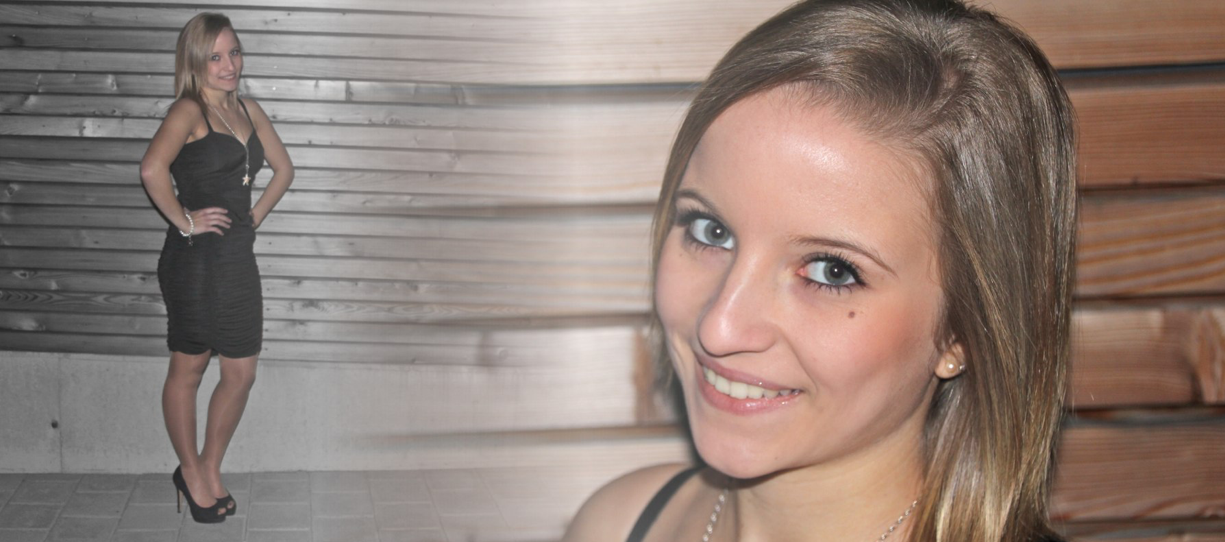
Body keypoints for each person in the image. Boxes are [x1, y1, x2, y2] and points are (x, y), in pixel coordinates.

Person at [565, 0, 1076, 541]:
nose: (720, 327)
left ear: (962, 330)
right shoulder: (616, 524)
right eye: (710, 231)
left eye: (831, 271)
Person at [139, 12, 293, 524]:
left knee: (241, 372)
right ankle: (191, 470)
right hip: (195, 262)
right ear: (194, 62)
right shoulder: (189, 110)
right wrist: (185, 221)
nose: (229, 65)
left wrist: (254, 216)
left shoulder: (247, 108)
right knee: (189, 367)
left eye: (234, 52)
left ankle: (207, 466)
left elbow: (284, 169)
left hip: (237, 259)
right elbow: (151, 169)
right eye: (215, 57)